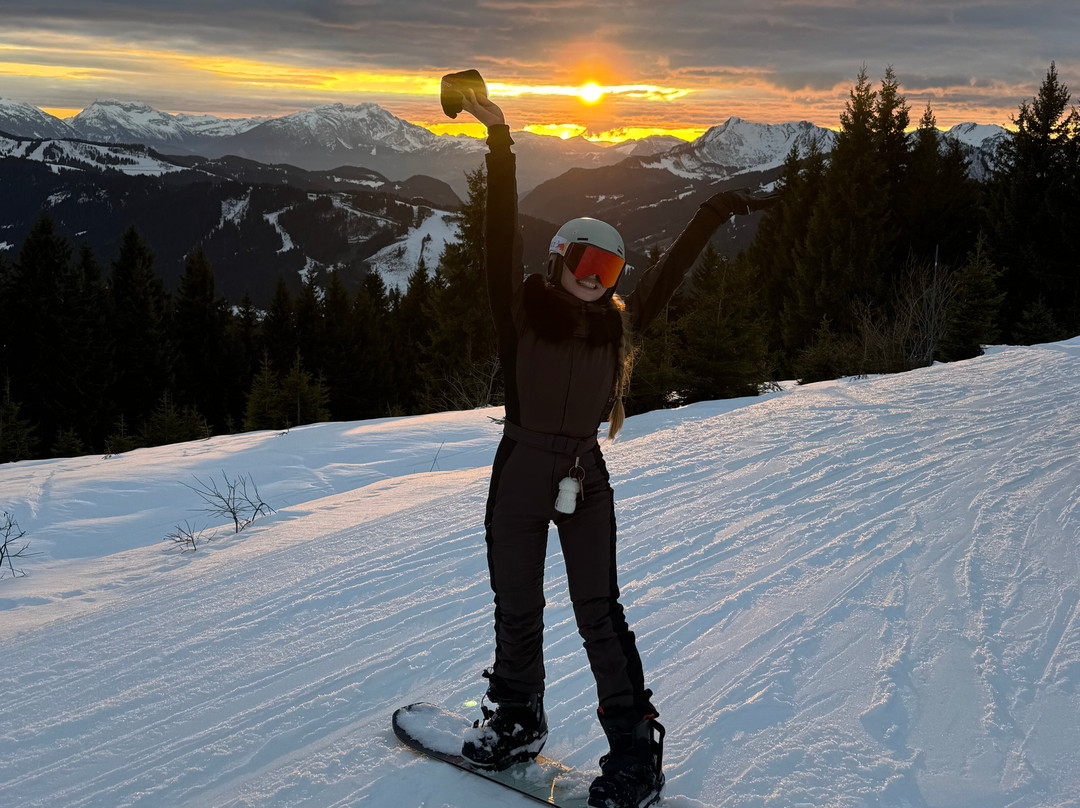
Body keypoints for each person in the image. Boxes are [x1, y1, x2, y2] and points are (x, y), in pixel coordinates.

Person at [455, 86, 774, 808]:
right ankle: (515, 716)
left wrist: (710, 214)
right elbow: (497, 236)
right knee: (517, 605)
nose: (597, 283)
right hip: (521, 469)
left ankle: (635, 749)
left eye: (610, 274)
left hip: (583, 476)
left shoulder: (619, 329)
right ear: (560, 260)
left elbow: (669, 274)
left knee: (598, 610)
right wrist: (500, 139)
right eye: (587, 266)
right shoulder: (520, 314)